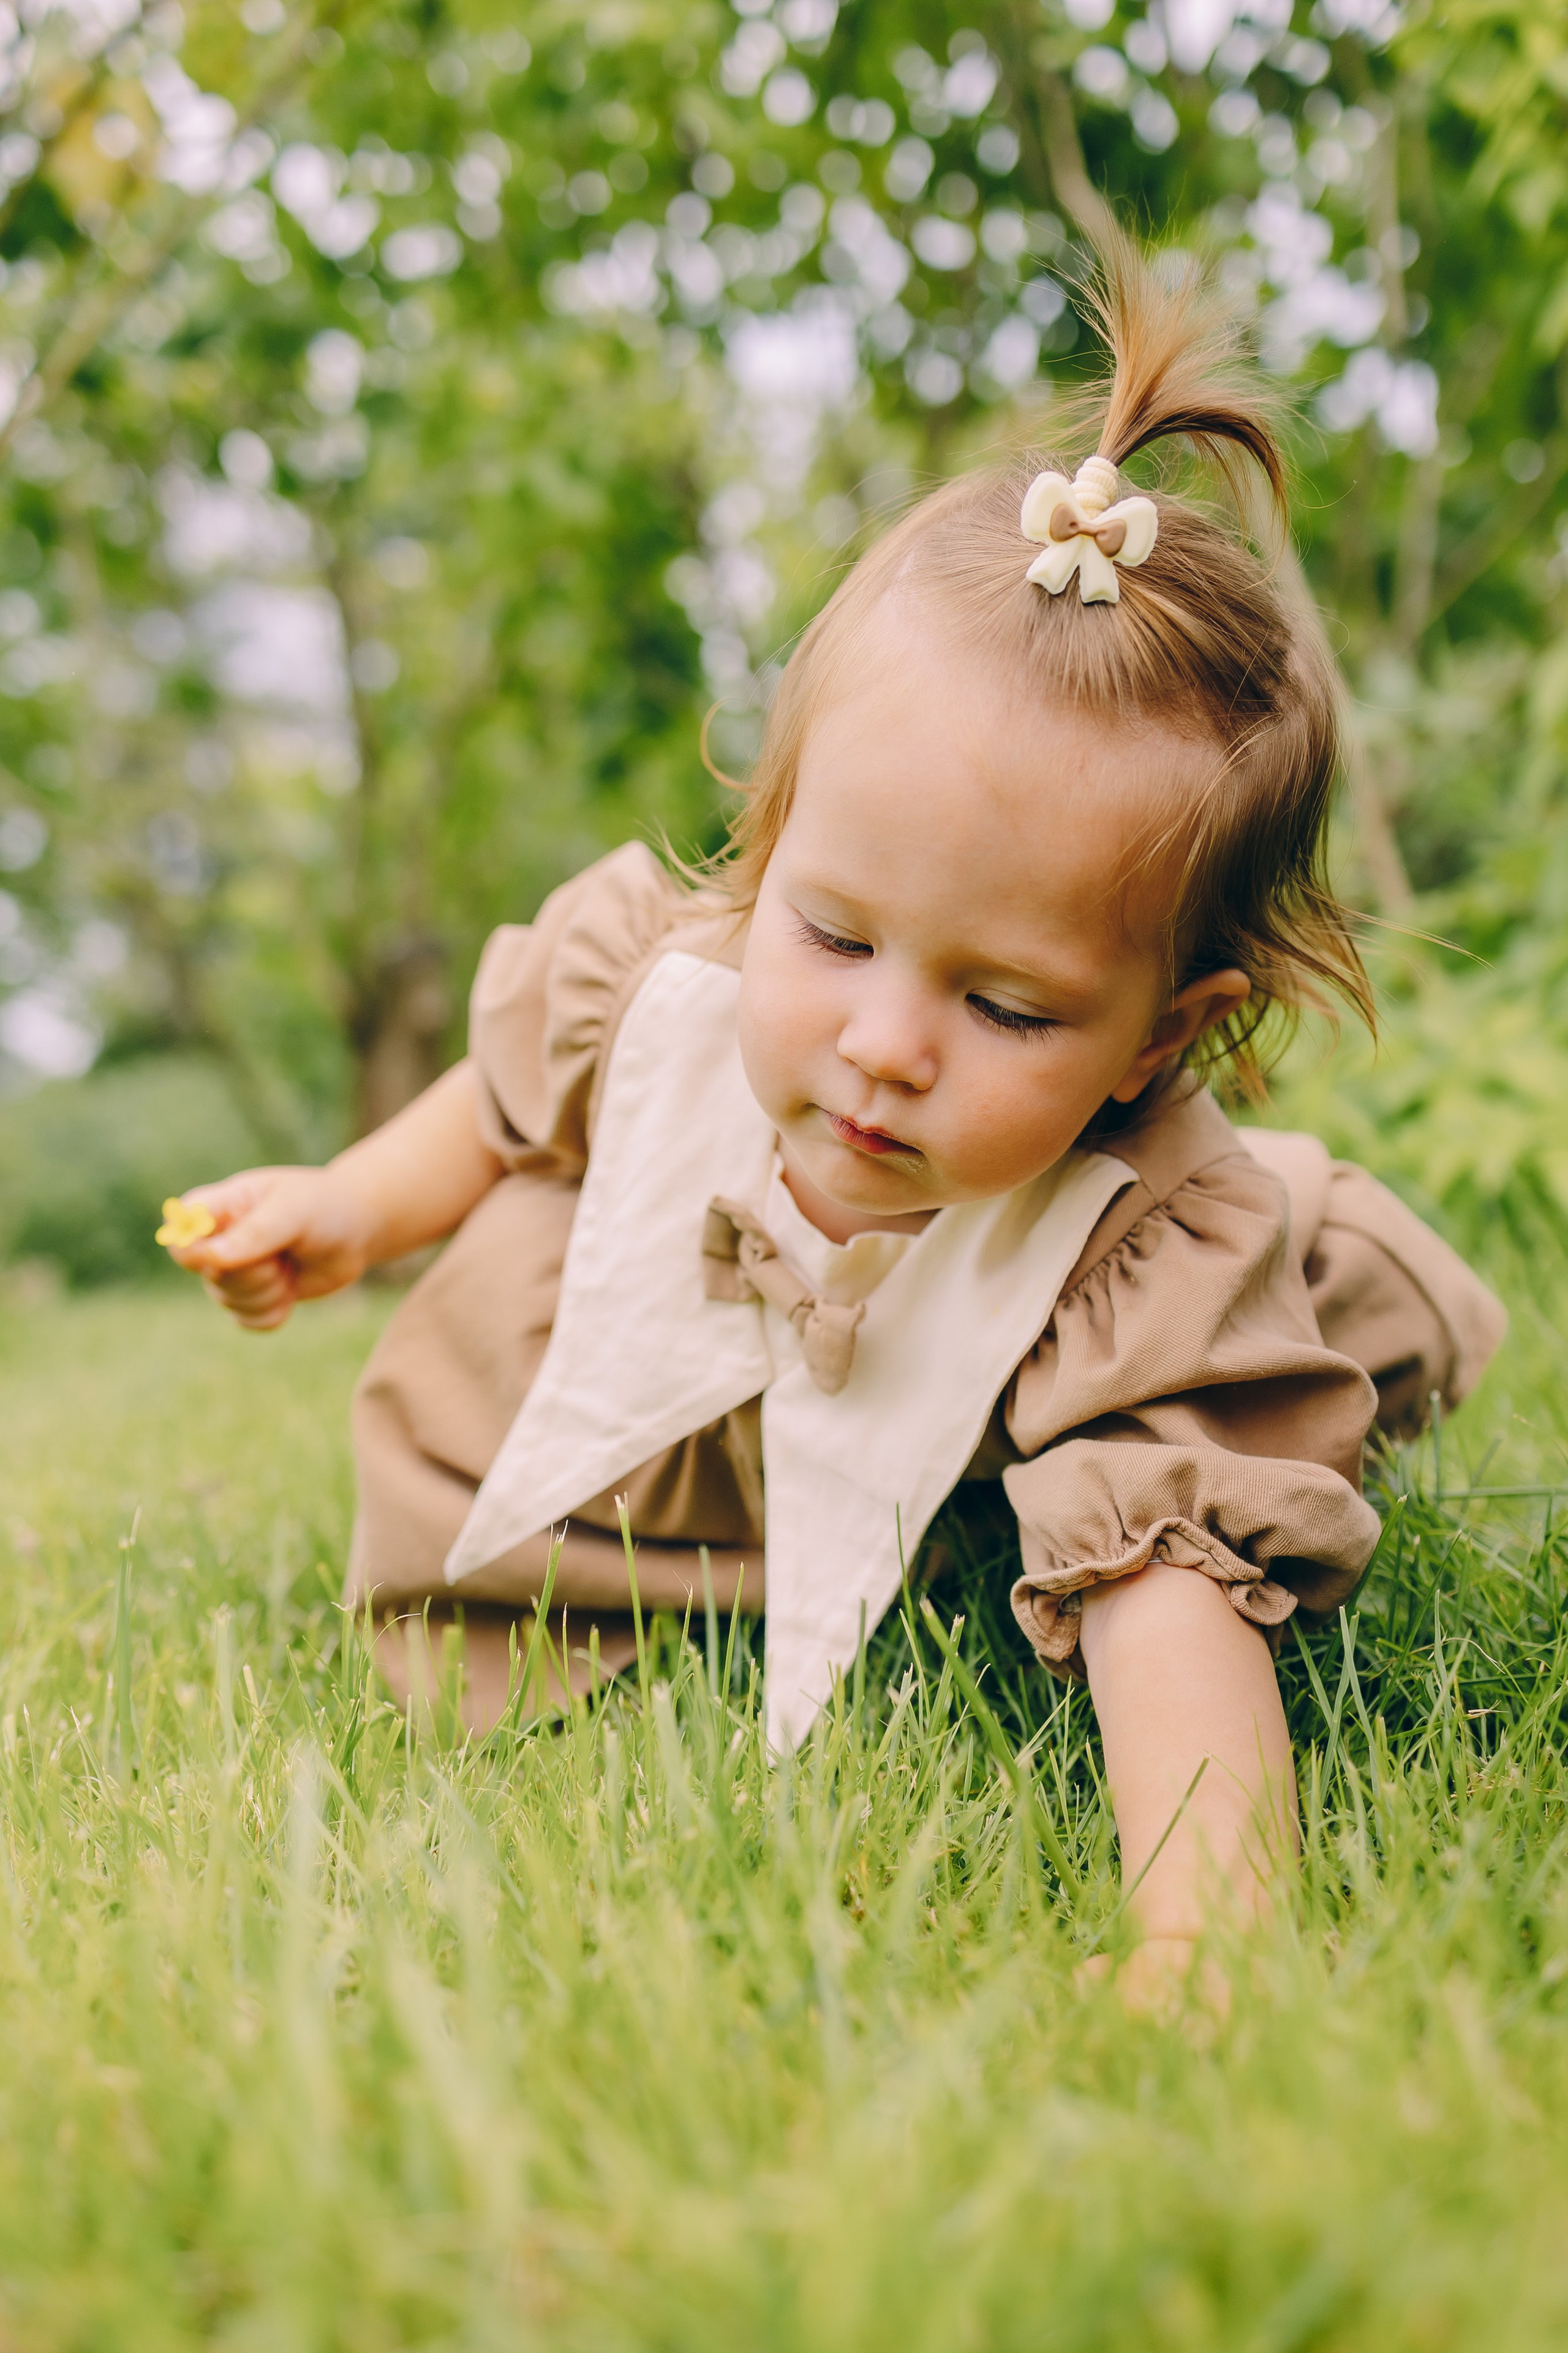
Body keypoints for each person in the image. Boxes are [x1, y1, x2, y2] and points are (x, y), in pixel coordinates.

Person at [164, 247, 1504, 1999]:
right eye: (834, 931)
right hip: (700, 1411)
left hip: (994, 1415)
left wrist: (1209, 1935)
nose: (883, 1045)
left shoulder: (1138, 1240)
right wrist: (349, 1207)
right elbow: (503, 1107)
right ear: (771, 838)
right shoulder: (664, 976)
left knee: (1174, 1462)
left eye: (1005, 1006)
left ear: (1161, 1036)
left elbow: (1166, 1589)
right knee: (526, 1226)